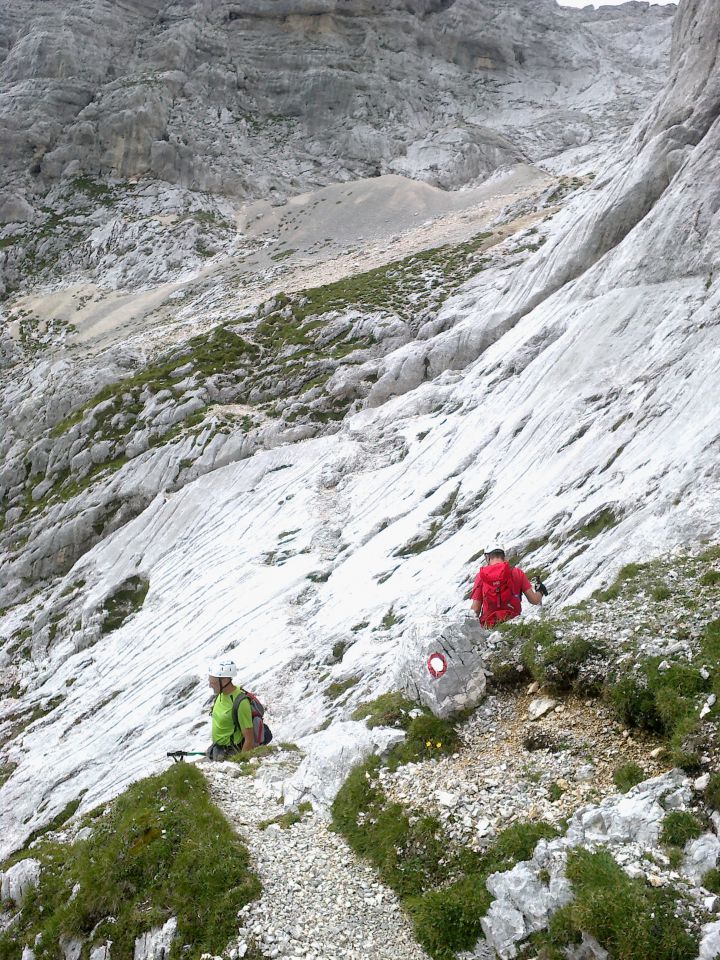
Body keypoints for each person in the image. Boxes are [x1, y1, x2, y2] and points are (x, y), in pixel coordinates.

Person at [470, 539, 547, 628]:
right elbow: (534, 600)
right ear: (503, 556)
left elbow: (475, 610)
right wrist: (540, 591)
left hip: (489, 626)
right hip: (514, 623)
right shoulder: (517, 573)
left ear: (487, 557)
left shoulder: (481, 576)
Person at [206, 659, 256, 760]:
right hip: (217, 749)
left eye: (213, 683)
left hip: (230, 753)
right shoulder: (220, 695)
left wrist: (241, 763)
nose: (210, 685)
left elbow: (249, 739)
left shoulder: (241, 703)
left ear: (225, 680)